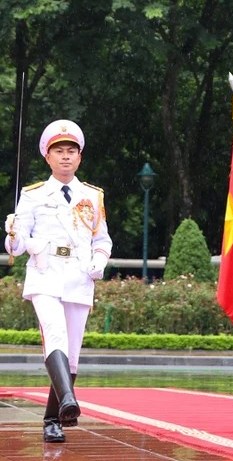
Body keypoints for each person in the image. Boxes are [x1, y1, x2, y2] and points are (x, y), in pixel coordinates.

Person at [4, 119, 112, 443]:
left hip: (79, 276)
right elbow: (16, 246)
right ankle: (68, 400)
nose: (65, 157)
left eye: (71, 151)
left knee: (73, 353)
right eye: (59, 151)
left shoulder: (92, 196)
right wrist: (13, 234)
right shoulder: (33, 195)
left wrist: (99, 261)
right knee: (54, 335)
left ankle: (54, 418)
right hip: (46, 273)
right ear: (47, 157)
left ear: (79, 157)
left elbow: (102, 239)